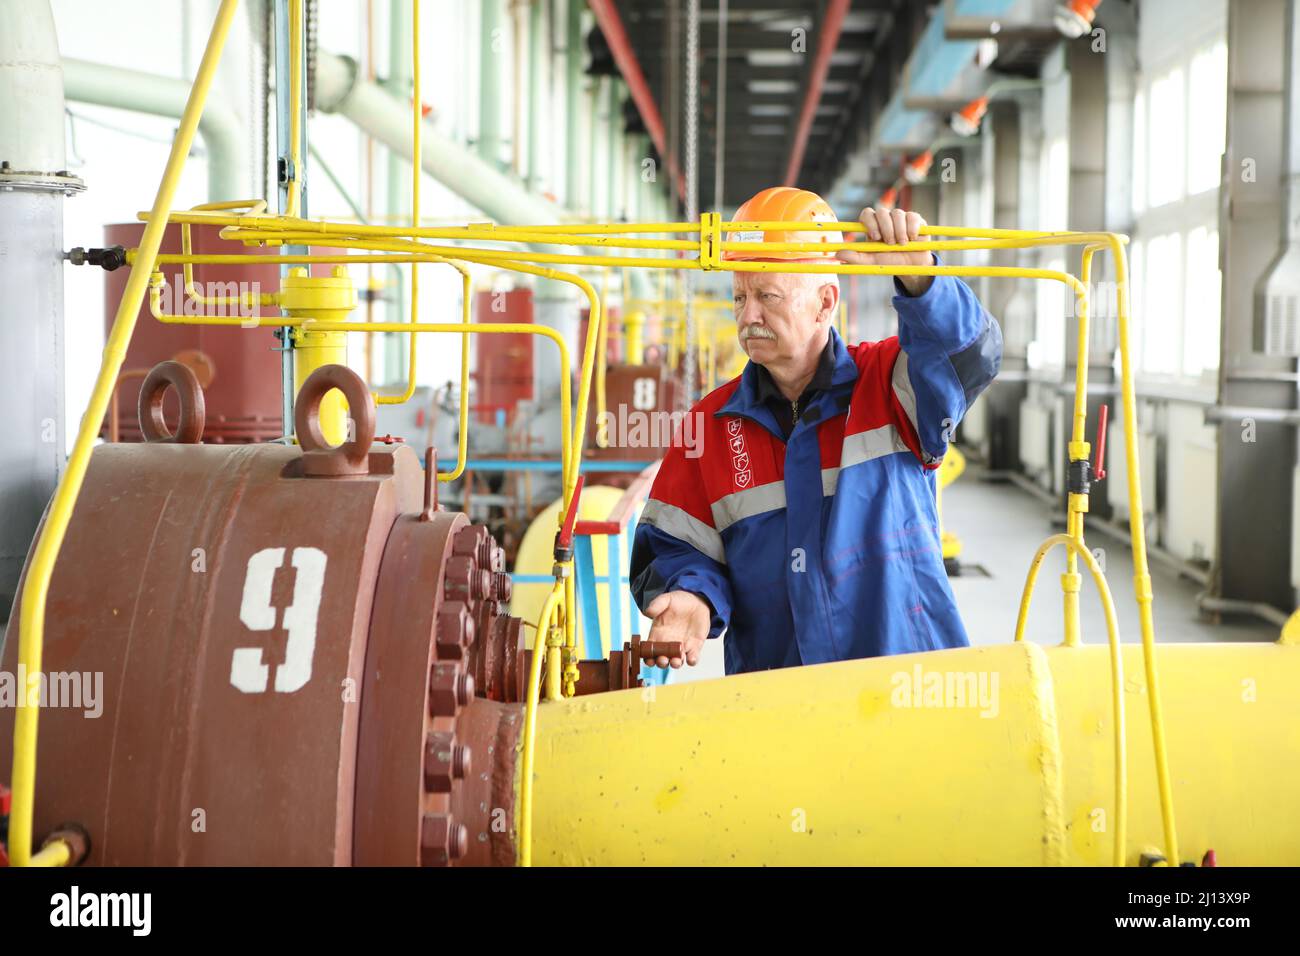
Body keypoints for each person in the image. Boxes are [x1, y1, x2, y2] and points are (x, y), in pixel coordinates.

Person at [629, 186, 1002, 675]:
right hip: (778, 702)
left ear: (825, 303)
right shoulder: (710, 426)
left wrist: (924, 281)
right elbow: (675, 544)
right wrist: (690, 595)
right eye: (739, 297)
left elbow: (972, 356)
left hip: (910, 688)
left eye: (767, 296)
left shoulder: (892, 385)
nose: (748, 316)